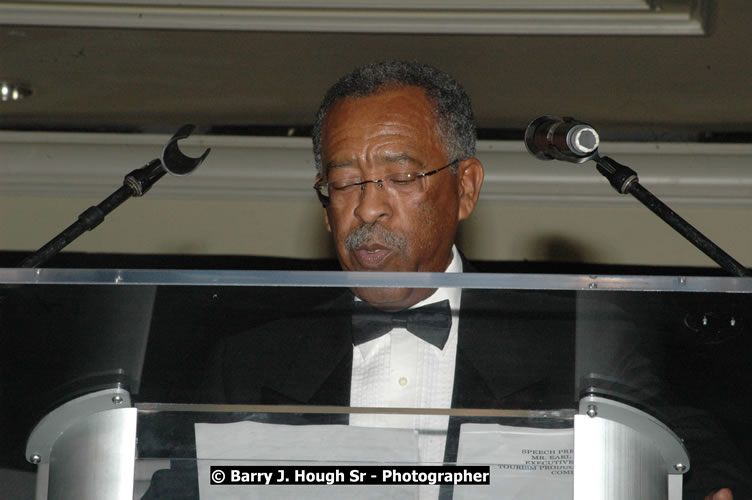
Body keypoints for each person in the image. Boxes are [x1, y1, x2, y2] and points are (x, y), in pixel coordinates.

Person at [153, 61, 744, 500]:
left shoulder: (571, 342)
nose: (367, 209)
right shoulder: (253, 360)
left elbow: (687, 443)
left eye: (399, 177)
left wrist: (712, 483)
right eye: (344, 182)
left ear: (465, 189)